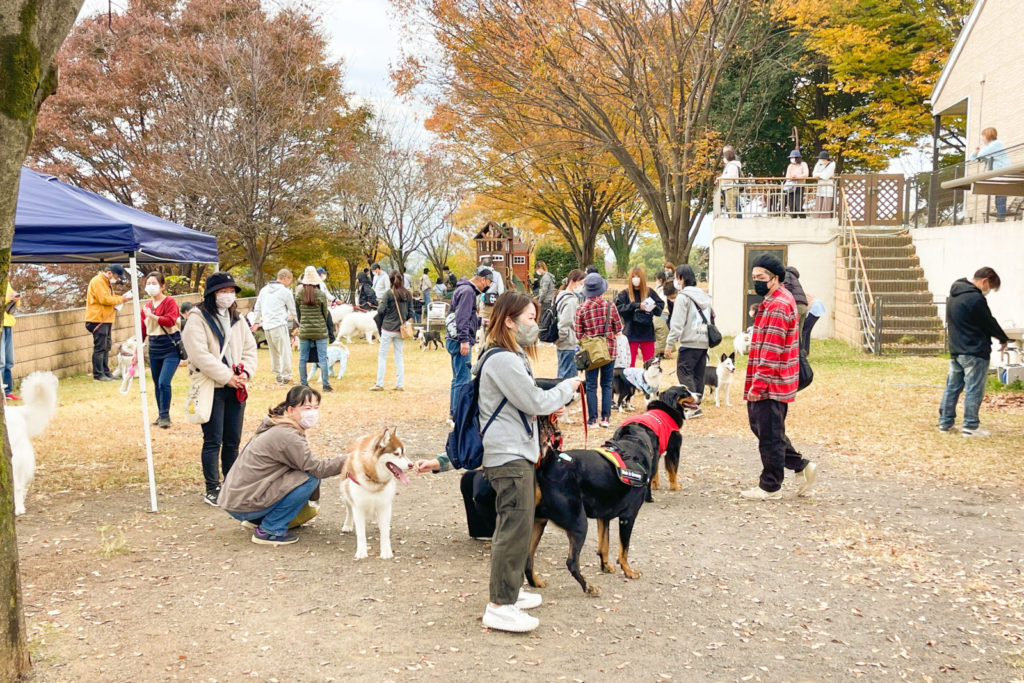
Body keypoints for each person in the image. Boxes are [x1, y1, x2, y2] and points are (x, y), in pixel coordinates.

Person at [476, 291, 581, 632]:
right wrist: (567, 388)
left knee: (517, 528)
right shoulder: (503, 360)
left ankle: (510, 591)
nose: (535, 325)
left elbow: (525, 404)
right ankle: (500, 605)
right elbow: (533, 400)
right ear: (509, 321)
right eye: (530, 319)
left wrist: (550, 406)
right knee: (513, 529)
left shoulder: (509, 355)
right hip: (509, 456)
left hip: (514, 451)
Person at [218, 385, 346, 545]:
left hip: (237, 500)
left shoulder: (278, 425)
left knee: (302, 474)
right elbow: (318, 469)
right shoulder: (287, 435)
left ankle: (258, 520)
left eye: (316, 407)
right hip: (244, 504)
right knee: (309, 478)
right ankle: (270, 530)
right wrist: (350, 459)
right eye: (307, 408)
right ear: (290, 410)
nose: (313, 413)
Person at [740, 254, 817, 500]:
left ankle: (770, 486)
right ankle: (800, 466)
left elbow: (772, 351)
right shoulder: (773, 300)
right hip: (771, 380)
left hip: (771, 383)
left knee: (769, 436)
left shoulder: (778, 306)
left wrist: (758, 385)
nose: (756, 282)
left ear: (775, 278)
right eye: (754, 277)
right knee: (766, 430)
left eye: (761, 277)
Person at [181, 272, 258, 507]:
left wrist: (245, 373)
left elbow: (249, 348)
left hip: (236, 386)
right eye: (223, 291)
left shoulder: (237, 318)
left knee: (233, 439)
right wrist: (227, 377)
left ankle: (231, 484)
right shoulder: (197, 318)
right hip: (212, 386)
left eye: (231, 291)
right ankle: (212, 487)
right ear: (212, 294)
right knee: (213, 439)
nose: (228, 295)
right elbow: (199, 355)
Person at [939, 267, 1008, 437]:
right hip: (974, 351)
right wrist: (1003, 338)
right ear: (984, 281)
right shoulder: (975, 299)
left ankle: (945, 423)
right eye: (990, 287)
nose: (988, 291)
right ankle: (970, 426)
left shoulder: (954, 295)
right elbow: (988, 322)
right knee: (974, 388)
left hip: (956, 350)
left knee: (952, 387)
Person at [574, 272, 623, 428]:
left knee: (591, 385)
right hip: (609, 350)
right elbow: (618, 328)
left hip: (591, 353)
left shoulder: (581, 309)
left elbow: (578, 334)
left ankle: (593, 419)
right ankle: (606, 418)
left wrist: (591, 337)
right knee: (607, 384)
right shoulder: (610, 306)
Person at [666, 265, 712, 415]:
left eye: (676, 277)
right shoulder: (704, 296)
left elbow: (677, 323)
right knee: (698, 374)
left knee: (684, 372)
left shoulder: (683, 297)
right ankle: (697, 405)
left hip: (689, 341)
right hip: (703, 340)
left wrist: (670, 343)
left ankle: (691, 406)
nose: (675, 281)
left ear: (682, 278)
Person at [446, 266, 492, 418]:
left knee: (457, 377)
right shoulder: (468, 292)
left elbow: (464, 315)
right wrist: (464, 340)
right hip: (460, 340)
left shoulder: (462, 289)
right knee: (463, 379)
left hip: (452, 338)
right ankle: (458, 414)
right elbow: (462, 317)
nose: (488, 286)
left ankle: (454, 411)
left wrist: (480, 321)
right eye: (488, 283)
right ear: (483, 279)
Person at [140, 272, 182, 428]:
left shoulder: (169, 302)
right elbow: (142, 329)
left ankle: (165, 416)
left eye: (154, 283)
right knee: (157, 383)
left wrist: (152, 316)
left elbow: (170, 321)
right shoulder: (146, 306)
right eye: (148, 283)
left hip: (170, 346)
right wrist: (138, 349)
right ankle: (161, 414)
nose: (150, 286)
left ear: (162, 286)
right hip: (154, 347)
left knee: (164, 382)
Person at [85, 264, 132, 381]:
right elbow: (104, 299)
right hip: (98, 319)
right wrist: (121, 299)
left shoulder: (105, 282)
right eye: (116, 276)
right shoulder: (98, 281)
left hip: (105, 318)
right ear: (110, 273)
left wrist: (120, 299)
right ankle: (98, 374)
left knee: (106, 347)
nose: (116, 279)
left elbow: (109, 297)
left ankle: (105, 372)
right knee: (100, 348)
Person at [252, 268, 296, 385]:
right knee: (285, 352)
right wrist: (300, 322)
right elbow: (293, 309)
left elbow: (257, 307)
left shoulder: (264, 290)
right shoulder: (285, 292)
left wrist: (256, 322)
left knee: (274, 352)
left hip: (267, 326)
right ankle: (286, 376)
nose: (290, 282)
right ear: (285, 278)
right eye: (290, 279)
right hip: (279, 325)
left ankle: (278, 376)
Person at [615, 265, 664, 367]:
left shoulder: (649, 292)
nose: (636, 279)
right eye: (633, 277)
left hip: (647, 332)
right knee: (629, 364)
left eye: (638, 276)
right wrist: (636, 305)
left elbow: (660, 307)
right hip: (631, 332)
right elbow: (618, 308)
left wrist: (651, 307)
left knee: (650, 365)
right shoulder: (625, 294)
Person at [295, 266, 332, 392]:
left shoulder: (299, 294)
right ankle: (325, 384)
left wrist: (303, 323)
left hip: (305, 330)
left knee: (303, 358)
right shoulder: (320, 294)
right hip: (320, 330)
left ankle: (304, 383)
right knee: (323, 357)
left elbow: (298, 313)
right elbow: (325, 313)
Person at [372, 270, 410, 391]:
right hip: (400, 329)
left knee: (382, 356)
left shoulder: (388, 293)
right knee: (399, 356)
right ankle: (399, 384)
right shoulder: (407, 294)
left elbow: (380, 310)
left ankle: (379, 383)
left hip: (388, 328)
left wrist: (387, 311)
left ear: (390, 281)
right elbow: (411, 312)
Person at [971, 127, 1010, 221]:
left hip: (1002, 173)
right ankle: (1000, 217)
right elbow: (974, 159)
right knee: (999, 196)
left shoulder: (996, 144)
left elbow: (981, 155)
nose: (982, 139)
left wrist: (978, 153)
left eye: (983, 136)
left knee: (1000, 196)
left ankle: (1001, 218)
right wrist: (975, 152)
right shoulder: (990, 147)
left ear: (988, 136)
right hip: (998, 174)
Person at [555, 269, 585, 379]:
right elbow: (565, 322)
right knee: (568, 377)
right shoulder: (571, 300)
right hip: (568, 342)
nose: (582, 287)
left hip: (564, 343)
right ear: (572, 282)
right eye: (581, 283)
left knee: (562, 372)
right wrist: (561, 338)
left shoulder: (561, 296)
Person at [1, 281, 21, 400]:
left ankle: (8, 392)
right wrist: (7, 298)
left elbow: (14, 302)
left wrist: (15, 298)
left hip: (8, 324)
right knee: (1, 362)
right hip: (1, 326)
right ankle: (1, 394)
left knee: (9, 361)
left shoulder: (5, 281)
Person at [718, 145, 743, 216]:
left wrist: (721, 179)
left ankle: (734, 220)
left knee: (732, 206)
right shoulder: (730, 165)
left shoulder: (733, 165)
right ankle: (734, 218)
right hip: (729, 188)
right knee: (731, 206)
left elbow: (730, 177)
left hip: (731, 188)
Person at [783, 150, 808, 218]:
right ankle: (793, 218)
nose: (792, 159)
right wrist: (791, 177)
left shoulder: (803, 164)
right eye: (791, 158)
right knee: (791, 205)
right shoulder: (790, 166)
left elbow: (806, 174)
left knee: (798, 205)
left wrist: (797, 176)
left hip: (799, 186)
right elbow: (787, 176)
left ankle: (803, 218)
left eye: (793, 158)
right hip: (790, 186)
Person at [783, 266, 808, 333]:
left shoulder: (786, 274)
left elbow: (786, 286)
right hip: (803, 306)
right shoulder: (793, 276)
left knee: (792, 333)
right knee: (798, 334)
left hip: (796, 305)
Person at [812, 150, 835, 216]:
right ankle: (817, 219)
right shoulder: (819, 163)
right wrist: (820, 175)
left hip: (828, 188)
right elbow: (814, 174)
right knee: (818, 207)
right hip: (820, 187)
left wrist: (819, 175)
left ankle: (825, 220)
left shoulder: (832, 164)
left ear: (826, 159)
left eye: (822, 159)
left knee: (826, 207)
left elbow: (826, 176)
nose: (821, 160)